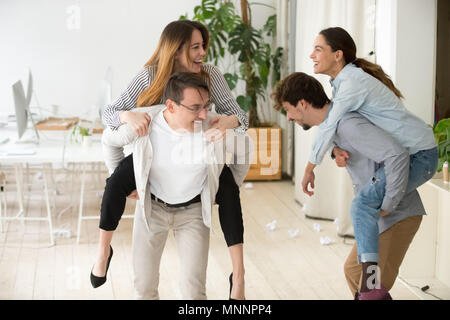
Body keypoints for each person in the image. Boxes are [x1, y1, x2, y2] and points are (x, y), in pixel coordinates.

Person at [91, 20, 249, 299]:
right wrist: (128, 116)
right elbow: (110, 114)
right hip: (154, 155)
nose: (202, 54)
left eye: (204, 47)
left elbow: (242, 118)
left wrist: (225, 123)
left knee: (227, 190)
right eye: (195, 48)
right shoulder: (149, 76)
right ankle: (103, 252)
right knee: (115, 181)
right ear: (176, 51)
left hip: (196, 157)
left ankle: (238, 276)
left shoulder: (210, 74)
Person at [298, 27, 437, 295]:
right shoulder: (343, 84)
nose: (311, 54)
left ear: (338, 55)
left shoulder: (351, 83)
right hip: (416, 153)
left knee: (362, 205)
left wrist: (309, 168)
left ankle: (369, 282)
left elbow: (331, 126)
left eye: (318, 48)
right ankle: (370, 286)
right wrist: (334, 150)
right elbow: (352, 131)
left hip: (421, 155)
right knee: (357, 267)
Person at [272, 72, 430, 299]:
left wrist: (390, 203)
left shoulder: (348, 125)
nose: (287, 117)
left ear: (303, 103)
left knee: (366, 282)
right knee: (356, 275)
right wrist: (334, 151)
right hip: (381, 217)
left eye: (288, 109)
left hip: (397, 215)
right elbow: (339, 141)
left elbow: (396, 155)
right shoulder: (335, 126)